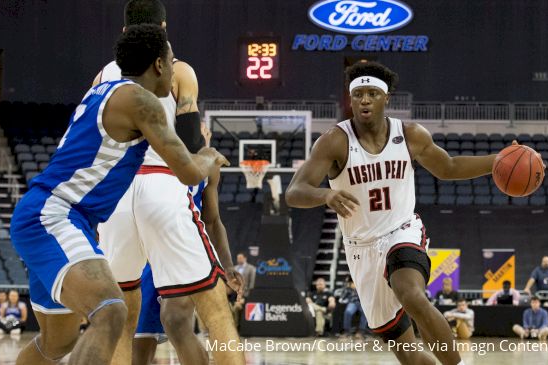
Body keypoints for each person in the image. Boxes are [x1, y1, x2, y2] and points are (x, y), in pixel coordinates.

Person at [10, 24, 227, 365]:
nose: (174, 71)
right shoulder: (141, 101)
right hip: (55, 216)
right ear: (159, 65)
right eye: (171, 62)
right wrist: (210, 155)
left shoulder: (102, 90)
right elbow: (188, 171)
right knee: (110, 311)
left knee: (56, 343)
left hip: (49, 216)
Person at [286, 60, 505, 365]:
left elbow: (449, 167)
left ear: (386, 98)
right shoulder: (335, 141)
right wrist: (326, 194)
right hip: (361, 249)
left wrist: (497, 161)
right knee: (409, 355)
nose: (365, 99)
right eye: (358, 94)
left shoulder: (411, 135)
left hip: (402, 231)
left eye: (372, 93)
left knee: (411, 294)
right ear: (351, 100)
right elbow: (294, 192)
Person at [95, 3, 243, 364]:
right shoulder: (179, 70)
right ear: (163, 26)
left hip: (114, 195)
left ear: (124, 29)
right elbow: (192, 144)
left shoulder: (103, 75)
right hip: (162, 184)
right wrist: (206, 152)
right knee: (214, 307)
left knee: (120, 313)